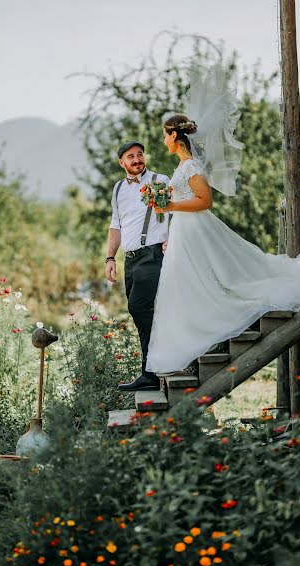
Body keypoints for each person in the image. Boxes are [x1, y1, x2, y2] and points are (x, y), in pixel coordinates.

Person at [145, 112, 300, 374]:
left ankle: (206, 336)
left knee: (205, 281)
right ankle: (195, 341)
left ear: (174, 135)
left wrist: (170, 205)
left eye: (165, 135)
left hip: (195, 229)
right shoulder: (185, 165)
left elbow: (205, 201)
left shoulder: (190, 167)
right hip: (184, 231)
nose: (164, 140)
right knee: (189, 283)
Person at [105, 140, 170, 391]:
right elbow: (115, 225)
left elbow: (177, 213)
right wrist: (110, 258)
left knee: (138, 307)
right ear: (122, 162)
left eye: (140, 154)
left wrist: (171, 237)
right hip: (130, 260)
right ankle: (155, 367)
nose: (136, 160)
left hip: (153, 254)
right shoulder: (119, 188)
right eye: (130, 156)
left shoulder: (159, 180)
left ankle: (152, 372)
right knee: (142, 311)